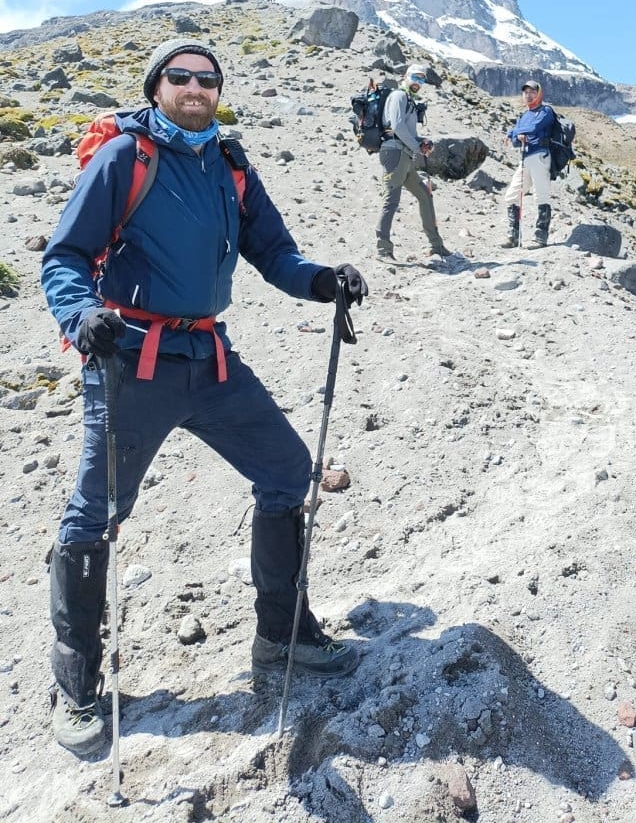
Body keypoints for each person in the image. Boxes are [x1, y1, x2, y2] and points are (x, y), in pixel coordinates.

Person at [40, 37, 369, 758]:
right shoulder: (124, 158)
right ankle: (76, 684)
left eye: (207, 79)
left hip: (209, 358)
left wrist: (322, 281)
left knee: (286, 471)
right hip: (130, 360)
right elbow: (64, 256)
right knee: (95, 513)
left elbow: (275, 254)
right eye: (181, 77)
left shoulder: (230, 166)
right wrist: (79, 315)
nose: (195, 88)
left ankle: (282, 636)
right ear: (156, 86)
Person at [375, 63, 451, 261]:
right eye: (415, 77)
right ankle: (383, 249)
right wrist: (418, 147)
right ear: (406, 76)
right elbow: (397, 127)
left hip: (405, 156)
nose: (418, 82)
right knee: (391, 200)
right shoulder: (398, 96)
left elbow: (407, 132)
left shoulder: (409, 100)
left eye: (422, 79)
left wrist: (422, 141)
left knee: (425, 195)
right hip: (394, 154)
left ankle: (437, 245)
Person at [502, 79, 555, 248]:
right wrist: (516, 136)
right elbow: (516, 141)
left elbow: (533, 128)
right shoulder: (523, 116)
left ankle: (540, 238)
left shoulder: (546, 111)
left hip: (540, 156)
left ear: (539, 94)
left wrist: (512, 132)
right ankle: (513, 236)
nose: (529, 95)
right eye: (526, 92)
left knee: (541, 195)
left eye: (532, 92)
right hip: (525, 158)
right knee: (512, 195)